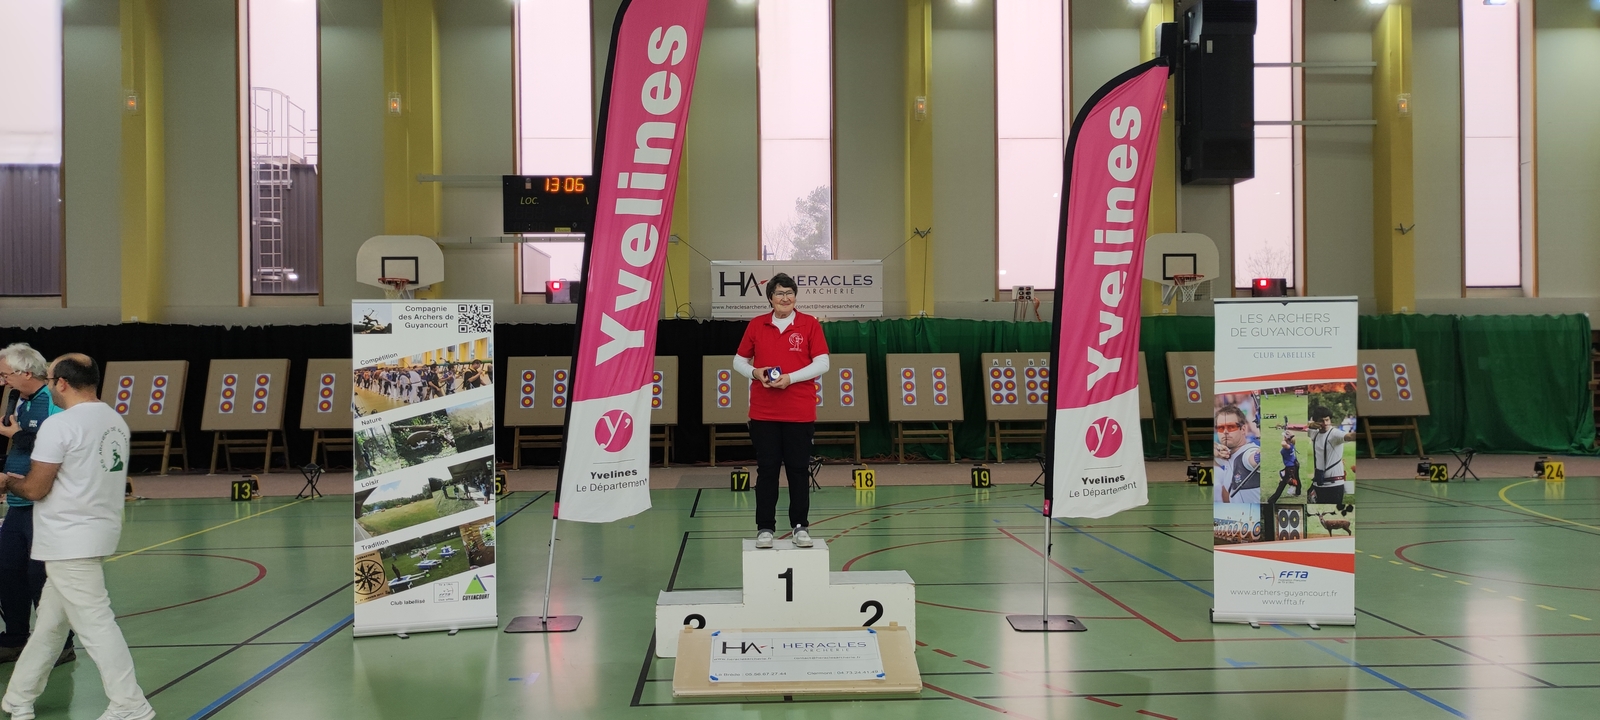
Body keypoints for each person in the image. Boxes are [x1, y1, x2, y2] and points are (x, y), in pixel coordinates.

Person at [0, 354, 154, 720]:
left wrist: (7, 482)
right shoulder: (114, 421)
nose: (48, 383)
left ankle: (130, 704)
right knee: (50, 627)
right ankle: (18, 698)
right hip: (97, 533)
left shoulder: (60, 425)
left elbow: (35, 489)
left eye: (50, 378)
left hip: (69, 540)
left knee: (97, 624)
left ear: (62, 383)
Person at [733, 273, 830, 549]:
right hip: (764, 413)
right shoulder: (757, 325)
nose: (785, 298)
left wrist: (790, 378)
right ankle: (765, 528)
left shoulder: (809, 324)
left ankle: (800, 526)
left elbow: (822, 363)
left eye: (789, 293)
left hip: (799, 412)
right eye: (779, 293)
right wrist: (755, 372)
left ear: (795, 297)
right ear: (770, 298)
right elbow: (738, 361)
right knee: (767, 471)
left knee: (798, 470)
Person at [0, 345, 76, 668]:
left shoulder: (53, 402)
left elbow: (55, 448)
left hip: (44, 504)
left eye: (6, 375)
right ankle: (16, 637)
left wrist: (18, 436)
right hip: (17, 504)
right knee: (6, 569)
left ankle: (61, 644)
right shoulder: (18, 401)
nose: (3, 382)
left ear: (25, 373)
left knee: (39, 576)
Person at [1214, 405, 1260, 504]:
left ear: (1243, 429)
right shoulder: (1225, 454)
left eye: (1231, 427)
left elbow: (1254, 459)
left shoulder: (1247, 453)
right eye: (1221, 428)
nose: (1225, 432)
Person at [1307, 405, 1352, 504]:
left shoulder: (1335, 434)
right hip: (1318, 484)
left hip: (1334, 485)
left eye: (1327, 420)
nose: (1325, 423)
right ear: (1316, 422)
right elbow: (1297, 428)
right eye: (1321, 421)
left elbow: (1349, 436)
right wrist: (1309, 424)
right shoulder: (1314, 433)